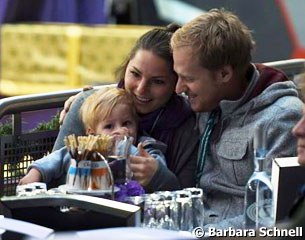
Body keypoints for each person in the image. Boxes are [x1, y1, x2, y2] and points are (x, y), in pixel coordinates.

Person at [170, 8, 303, 229]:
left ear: (224, 74)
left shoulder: (281, 119)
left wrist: (201, 233)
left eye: (188, 78)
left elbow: (267, 216)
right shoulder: (207, 100)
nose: (178, 89)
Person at [52, 24, 199, 190]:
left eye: (158, 81)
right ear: (126, 68)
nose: (141, 88)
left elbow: (187, 195)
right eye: (135, 74)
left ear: (176, 84)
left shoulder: (187, 124)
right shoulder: (87, 105)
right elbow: (54, 176)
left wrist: (159, 177)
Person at [19, 87, 168, 192]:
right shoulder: (85, 150)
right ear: (92, 133)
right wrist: (35, 173)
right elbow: (56, 159)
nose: (119, 131)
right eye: (109, 126)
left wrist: (126, 147)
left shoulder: (145, 147)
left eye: (126, 123)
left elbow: (159, 168)